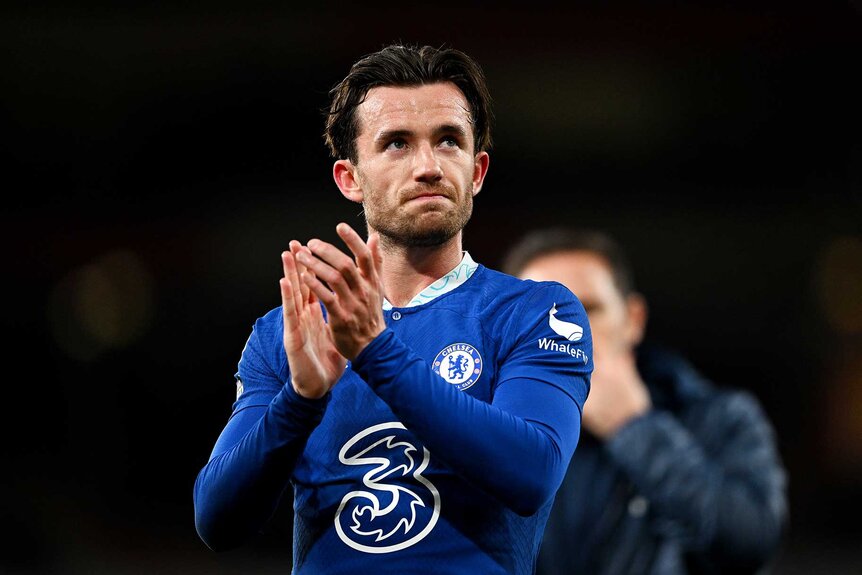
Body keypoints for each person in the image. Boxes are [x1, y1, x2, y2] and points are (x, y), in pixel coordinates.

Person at [193, 45, 593, 574]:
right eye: (397, 144)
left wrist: (377, 353)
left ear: (476, 171)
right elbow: (217, 521)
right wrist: (301, 398)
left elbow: (532, 472)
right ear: (349, 178)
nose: (428, 166)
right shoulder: (288, 334)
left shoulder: (534, 312)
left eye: (448, 141)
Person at [503, 228, 789, 575]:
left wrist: (634, 428)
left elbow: (749, 544)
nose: (567, 330)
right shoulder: (490, 431)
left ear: (632, 320)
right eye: (541, 314)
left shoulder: (719, 417)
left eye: (588, 308)